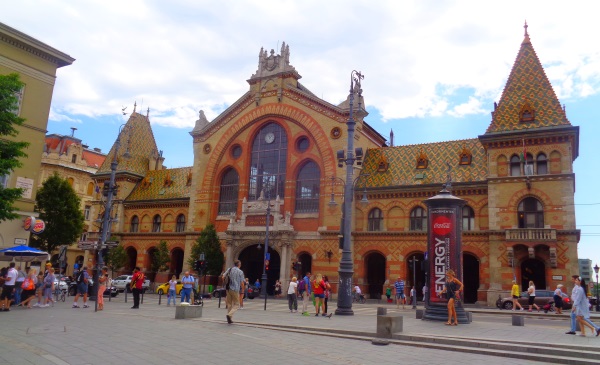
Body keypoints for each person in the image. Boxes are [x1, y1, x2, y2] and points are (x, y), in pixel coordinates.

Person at [223, 260, 245, 324]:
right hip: (235, 289)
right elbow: (242, 282)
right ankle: (229, 315)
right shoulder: (240, 272)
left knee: (229, 304)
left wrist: (225, 283)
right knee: (237, 304)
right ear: (239, 264)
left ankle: (229, 319)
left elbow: (223, 276)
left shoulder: (229, 269)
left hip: (228, 288)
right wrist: (243, 289)